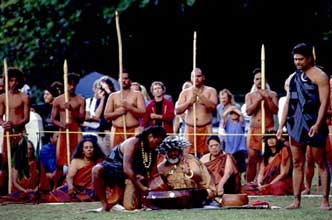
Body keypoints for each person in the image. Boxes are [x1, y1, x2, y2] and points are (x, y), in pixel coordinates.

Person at [277, 42, 331, 209]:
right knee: (297, 162)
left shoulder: (320, 76)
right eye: (295, 59)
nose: (297, 62)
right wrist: (281, 125)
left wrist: (317, 123)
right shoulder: (293, 78)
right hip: (295, 124)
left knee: (320, 162)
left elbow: (324, 103)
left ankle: (325, 201)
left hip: (314, 123)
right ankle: (296, 200)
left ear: (309, 58)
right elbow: (288, 102)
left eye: (300, 59)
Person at [92, 126, 166, 211]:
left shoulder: (153, 149)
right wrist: (141, 187)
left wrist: (161, 187)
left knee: (130, 206)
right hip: (115, 168)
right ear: (150, 136)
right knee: (96, 169)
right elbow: (127, 169)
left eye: (159, 143)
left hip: (132, 175)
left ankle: (126, 200)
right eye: (157, 142)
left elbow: (153, 173)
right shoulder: (133, 143)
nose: (157, 146)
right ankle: (105, 205)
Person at [51, 72, 85, 188]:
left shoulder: (80, 100)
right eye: (69, 84)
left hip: (76, 131)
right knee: (60, 162)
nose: (71, 87)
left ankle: (78, 184)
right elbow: (53, 119)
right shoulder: (58, 100)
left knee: (78, 158)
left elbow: (82, 119)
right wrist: (61, 125)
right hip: (63, 131)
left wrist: (72, 110)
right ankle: (55, 187)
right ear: (64, 85)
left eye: (74, 84)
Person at [245, 68, 278, 182]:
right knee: (252, 158)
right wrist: (258, 100)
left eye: (261, 78)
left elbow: (275, 111)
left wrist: (267, 98)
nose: (259, 81)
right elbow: (248, 112)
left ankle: (264, 180)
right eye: (257, 79)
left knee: (267, 157)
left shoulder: (272, 94)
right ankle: (249, 182)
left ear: (266, 80)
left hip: (268, 129)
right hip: (254, 129)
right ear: (254, 81)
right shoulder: (249, 95)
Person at [46, 136, 104, 202]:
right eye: (86, 147)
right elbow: (69, 177)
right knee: (56, 195)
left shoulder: (100, 161)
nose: (89, 149)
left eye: (91, 147)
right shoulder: (76, 161)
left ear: (94, 149)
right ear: (82, 150)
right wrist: (70, 187)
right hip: (76, 188)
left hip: (92, 189)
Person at [0, 67, 30, 195]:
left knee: (20, 162)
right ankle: (5, 190)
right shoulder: (2, 97)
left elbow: (26, 118)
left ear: (20, 82)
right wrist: (3, 124)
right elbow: (0, 116)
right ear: (7, 81)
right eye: (11, 80)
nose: (13, 83)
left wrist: (15, 125)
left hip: (20, 133)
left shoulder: (24, 97)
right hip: (8, 133)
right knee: (6, 161)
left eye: (16, 81)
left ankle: (19, 189)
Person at [175, 68, 218, 157]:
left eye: (198, 76)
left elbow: (213, 107)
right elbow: (177, 110)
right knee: (187, 155)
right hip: (189, 128)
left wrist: (201, 96)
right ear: (191, 78)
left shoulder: (211, 90)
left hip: (206, 127)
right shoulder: (185, 92)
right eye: (194, 76)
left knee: (208, 155)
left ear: (203, 77)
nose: (196, 79)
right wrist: (189, 102)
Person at [158, 135, 216, 199]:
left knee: (207, 192)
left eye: (175, 150)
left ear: (180, 151)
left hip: (196, 193)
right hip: (175, 197)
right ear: (165, 153)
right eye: (170, 151)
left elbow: (198, 175)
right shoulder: (162, 167)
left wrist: (189, 173)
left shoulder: (189, 159)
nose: (173, 153)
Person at [241, 131, 293, 195]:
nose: (271, 140)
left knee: (278, 188)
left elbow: (283, 173)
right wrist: (259, 184)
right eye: (268, 138)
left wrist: (269, 185)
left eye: (273, 138)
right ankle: (262, 190)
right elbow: (261, 173)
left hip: (279, 181)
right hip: (266, 182)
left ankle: (265, 189)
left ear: (278, 139)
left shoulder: (283, 151)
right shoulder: (266, 155)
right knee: (244, 188)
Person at [104, 70, 146, 149]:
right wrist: (117, 113)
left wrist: (130, 107)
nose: (123, 81)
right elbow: (106, 116)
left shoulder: (137, 94)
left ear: (130, 80)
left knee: (133, 155)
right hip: (117, 130)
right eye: (121, 78)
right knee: (116, 156)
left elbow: (143, 113)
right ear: (119, 80)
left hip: (134, 130)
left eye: (126, 78)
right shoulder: (113, 96)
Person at [222, 106, 247, 175]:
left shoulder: (241, 123)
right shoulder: (227, 123)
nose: (234, 114)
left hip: (239, 149)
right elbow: (224, 116)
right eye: (232, 113)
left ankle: (241, 180)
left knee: (241, 168)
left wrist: (235, 109)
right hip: (229, 150)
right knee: (230, 167)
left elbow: (241, 115)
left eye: (235, 113)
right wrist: (230, 109)